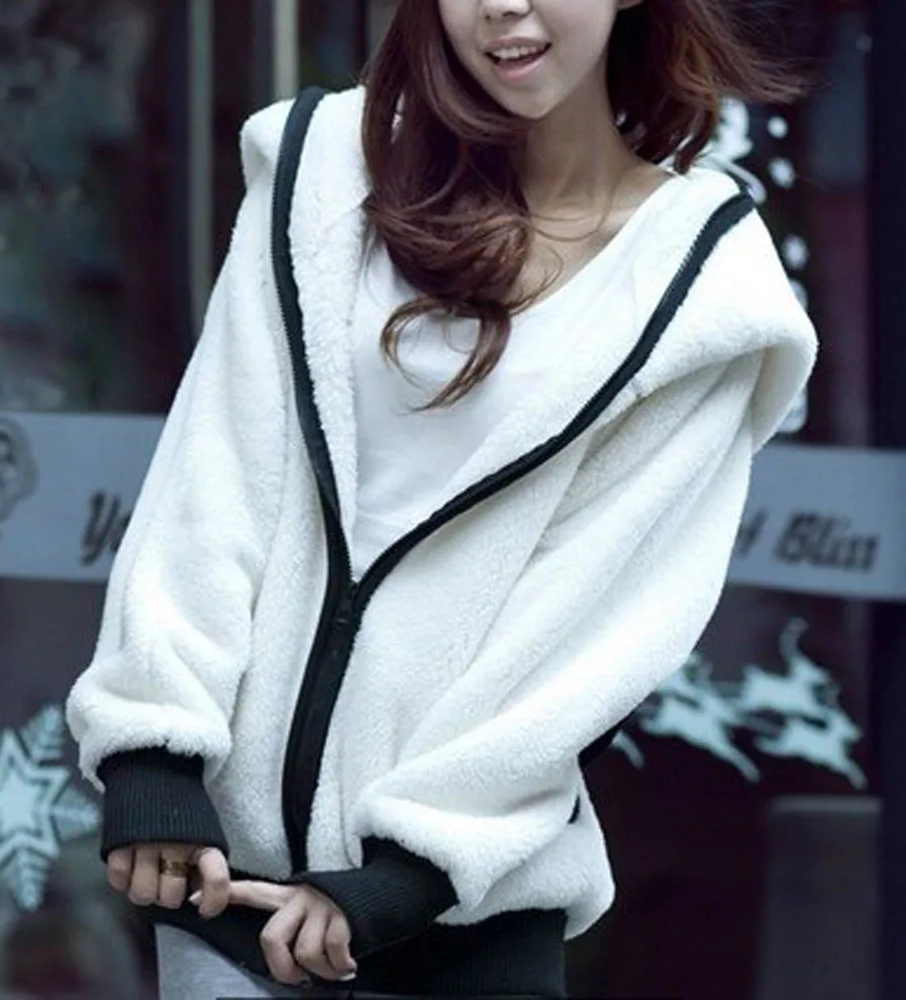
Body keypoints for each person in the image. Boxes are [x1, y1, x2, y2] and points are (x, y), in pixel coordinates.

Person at [66, 1, 817, 997]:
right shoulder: (322, 171)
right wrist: (155, 750)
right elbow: (220, 473)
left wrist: (410, 866)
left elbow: (599, 625)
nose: (502, 6)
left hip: (460, 929)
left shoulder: (703, 284)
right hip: (227, 911)